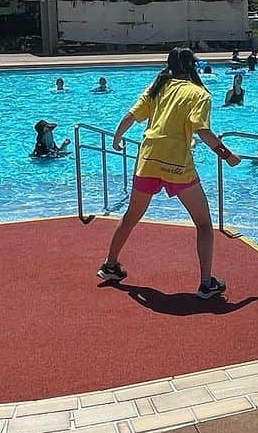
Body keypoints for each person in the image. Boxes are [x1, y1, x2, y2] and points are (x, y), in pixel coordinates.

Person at [97, 48, 241, 297]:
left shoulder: (157, 87)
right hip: (177, 164)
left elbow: (131, 116)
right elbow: (203, 133)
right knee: (204, 223)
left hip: (148, 158)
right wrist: (228, 156)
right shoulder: (199, 94)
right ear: (192, 67)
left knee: (131, 215)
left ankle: (110, 265)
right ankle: (207, 283)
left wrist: (117, 137)